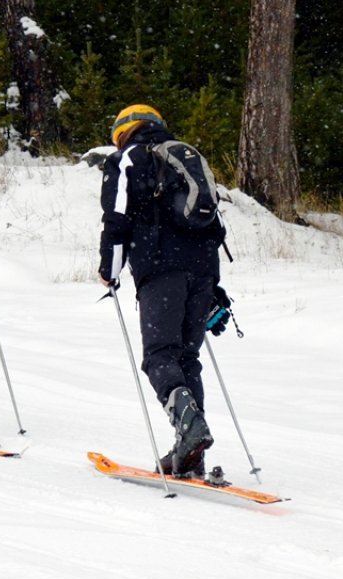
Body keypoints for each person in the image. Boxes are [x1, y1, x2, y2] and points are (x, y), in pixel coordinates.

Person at [97, 104, 228, 477]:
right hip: (202, 270)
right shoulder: (186, 158)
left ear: (123, 131)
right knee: (187, 358)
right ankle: (191, 453)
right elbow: (212, 223)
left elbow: (116, 216)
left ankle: (190, 431)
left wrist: (110, 268)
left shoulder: (129, 158)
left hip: (160, 267)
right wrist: (213, 285)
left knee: (159, 356)